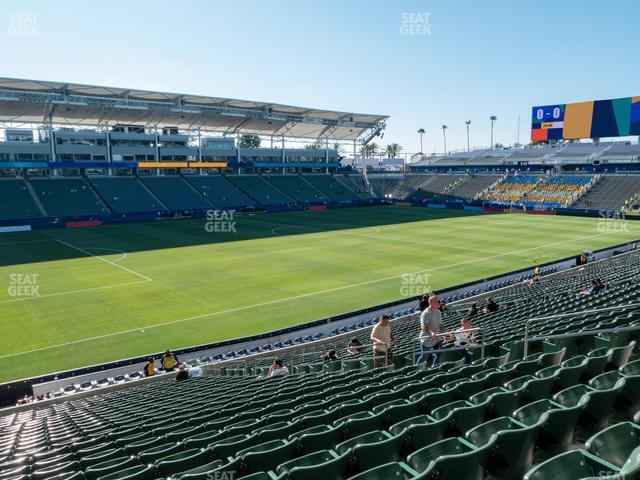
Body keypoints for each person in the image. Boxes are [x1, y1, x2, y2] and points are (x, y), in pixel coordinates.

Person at [417, 295, 445, 366]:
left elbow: (441, 325)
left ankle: (435, 367)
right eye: (436, 301)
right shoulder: (425, 313)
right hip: (426, 339)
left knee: (439, 354)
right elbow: (423, 326)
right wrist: (431, 333)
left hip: (435, 338)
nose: (438, 302)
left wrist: (444, 335)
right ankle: (416, 369)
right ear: (431, 303)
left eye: (438, 301)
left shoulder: (438, 312)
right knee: (424, 357)